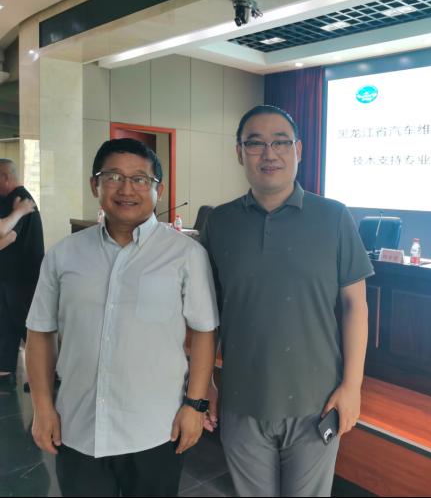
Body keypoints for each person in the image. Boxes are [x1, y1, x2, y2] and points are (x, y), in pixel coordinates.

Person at [25, 138, 219, 497]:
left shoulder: (186, 255)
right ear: (94, 185)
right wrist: (42, 407)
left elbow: (205, 331)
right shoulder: (64, 255)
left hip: (156, 430)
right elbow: (39, 332)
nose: (127, 189)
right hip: (77, 427)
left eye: (140, 179)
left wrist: (195, 405)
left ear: (158, 190)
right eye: (113, 176)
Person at [201, 105, 373, 497]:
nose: (269, 153)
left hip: (316, 400)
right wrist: (206, 382)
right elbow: (208, 314)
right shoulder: (220, 222)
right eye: (255, 143)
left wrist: (352, 386)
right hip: (241, 398)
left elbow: (355, 306)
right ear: (239, 152)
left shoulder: (333, 217)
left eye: (280, 142)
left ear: (298, 149)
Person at [0, 159, 44, 388]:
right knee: (6, 323)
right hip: (11, 276)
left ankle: (51, 373)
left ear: (5, 177)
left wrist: (18, 211)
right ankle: (5, 370)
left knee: (28, 327)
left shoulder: (19, 198)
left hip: (21, 277)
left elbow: (8, 235)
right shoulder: (14, 201)